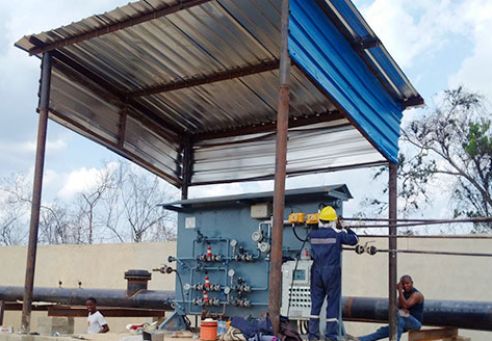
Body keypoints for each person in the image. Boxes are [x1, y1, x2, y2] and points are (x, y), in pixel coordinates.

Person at [308, 206, 359, 341]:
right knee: (332, 303)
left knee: (315, 304)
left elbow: (312, 230)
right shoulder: (338, 235)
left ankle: (312, 335)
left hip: (317, 271)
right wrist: (345, 227)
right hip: (332, 272)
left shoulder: (312, 235)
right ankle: (331, 336)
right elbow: (354, 239)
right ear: (333, 221)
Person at [356, 275, 424, 341]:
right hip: (403, 322)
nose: (405, 286)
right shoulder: (403, 294)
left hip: (415, 323)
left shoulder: (416, 295)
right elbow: (396, 305)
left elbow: (406, 305)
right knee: (385, 331)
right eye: (403, 284)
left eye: (407, 283)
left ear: (412, 283)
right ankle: (361, 339)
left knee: (400, 317)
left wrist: (399, 290)